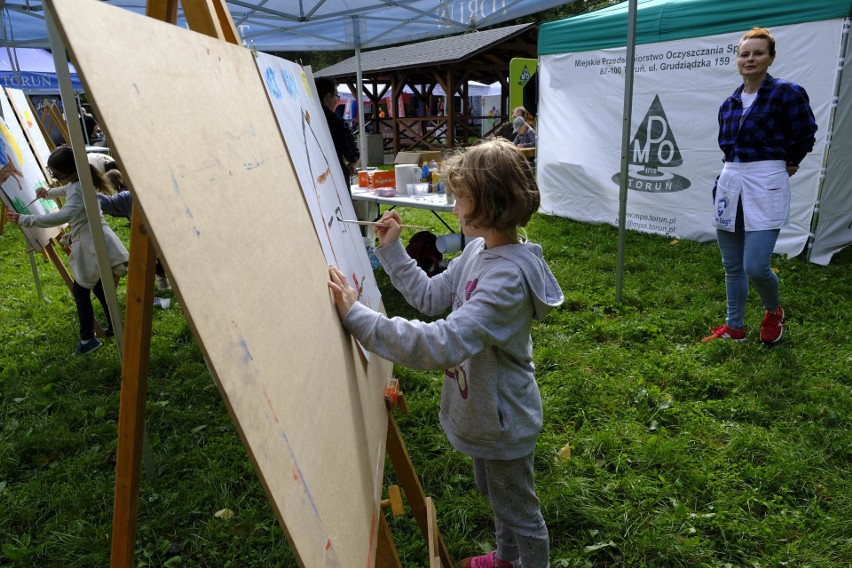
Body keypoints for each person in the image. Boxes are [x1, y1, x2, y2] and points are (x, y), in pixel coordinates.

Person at [328, 139, 563, 568]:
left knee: (520, 512)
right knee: (496, 495)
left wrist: (359, 319)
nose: (454, 207)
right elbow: (432, 295)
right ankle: (507, 558)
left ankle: (527, 560)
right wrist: (394, 249)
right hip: (484, 415)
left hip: (503, 421)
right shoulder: (477, 250)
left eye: (460, 198)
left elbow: (441, 343)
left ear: (489, 205)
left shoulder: (506, 282)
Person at [703, 27, 816, 345]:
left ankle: (773, 311)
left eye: (758, 53)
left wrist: (791, 160)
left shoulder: (786, 93)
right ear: (737, 59)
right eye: (744, 53)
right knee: (732, 265)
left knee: (755, 265)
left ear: (771, 57)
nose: (750, 59)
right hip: (731, 182)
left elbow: (805, 131)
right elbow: (727, 146)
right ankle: (734, 326)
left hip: (766, 182)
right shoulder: (730, 102)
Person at [6, 145, 129, 355]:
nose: (54, 177)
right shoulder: (78, 181)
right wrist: (48, 193)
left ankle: (88, 339)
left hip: (91, 242)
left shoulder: (78, 186)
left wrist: (26, 219)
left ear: (71, 173)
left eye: (56, 174)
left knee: (81, 290)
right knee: (99, 286)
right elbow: (67, 190)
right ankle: (113, 326)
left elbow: (64, 215)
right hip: (95, 238)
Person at [96, 169, 171, 292]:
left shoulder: (132, 194)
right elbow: (109, 204)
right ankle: (161, 280)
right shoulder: (128, 195)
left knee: (158, 257)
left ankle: (163, 280)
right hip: (148, 236)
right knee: (151, 257)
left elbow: (108, 204)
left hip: (164, 233)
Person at [314, 77, 359, 184]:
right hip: (336, 179)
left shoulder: (305, 118)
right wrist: (352, 166)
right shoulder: (336, 121)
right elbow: (353, 155)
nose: (337, 101)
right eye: (336, 96)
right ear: (328, 96)